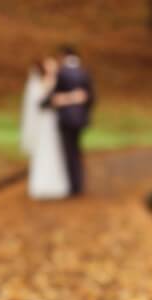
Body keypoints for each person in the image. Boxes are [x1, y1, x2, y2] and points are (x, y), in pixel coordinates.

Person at [46, 45, 95, 197]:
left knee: (69, 152)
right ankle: (78, 183)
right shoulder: (85, 72)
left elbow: (52, 97)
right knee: (77, 150)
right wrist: (85, 113)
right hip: (80, 119)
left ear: (63, 56)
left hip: (66, 119)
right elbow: (92, 98)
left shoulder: (61, 73)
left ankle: (73, 186)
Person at [21, 58, 70, 200]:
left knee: (55, 151)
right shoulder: (41, 83)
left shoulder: (57, 81)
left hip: (53, 121)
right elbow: (41, 103)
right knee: (45, 150)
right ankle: (42, 184)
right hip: (45, 122)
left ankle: (56, 184)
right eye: (50, 66)